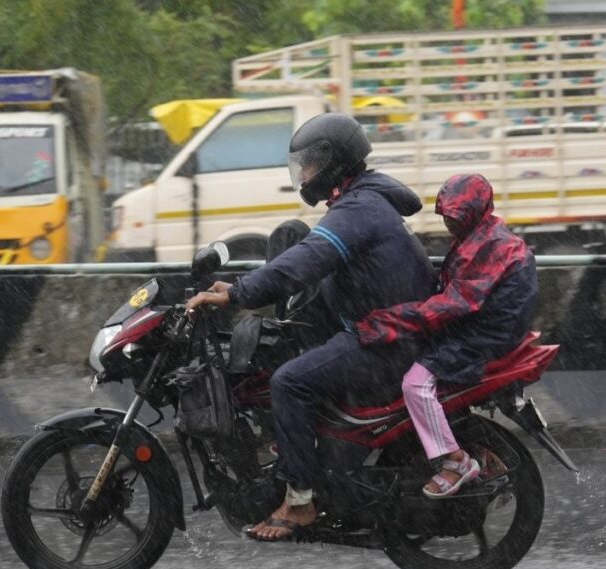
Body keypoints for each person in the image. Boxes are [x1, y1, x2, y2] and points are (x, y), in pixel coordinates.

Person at [185, 112, 435, 541]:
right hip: (381, 327)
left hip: (386, 341)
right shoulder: (362, 200)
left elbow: (307, 260)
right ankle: (299, 452)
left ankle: (300, 500)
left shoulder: (359, 209)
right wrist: (242, 288)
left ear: (334, 162)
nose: (304, 174)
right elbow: (307, 255)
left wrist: (237, 294)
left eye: (310, 164)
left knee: (290, 383)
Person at [356, 173, 538, 498]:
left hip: (483, 336)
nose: (449, 224)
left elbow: (453, 305)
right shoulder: (480, 235)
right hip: (481, 326)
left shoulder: (490, 246)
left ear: (473, 212)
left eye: (456, 217)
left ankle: (455, 462)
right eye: (446, 217)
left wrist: (389, 321)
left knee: (415, 384)